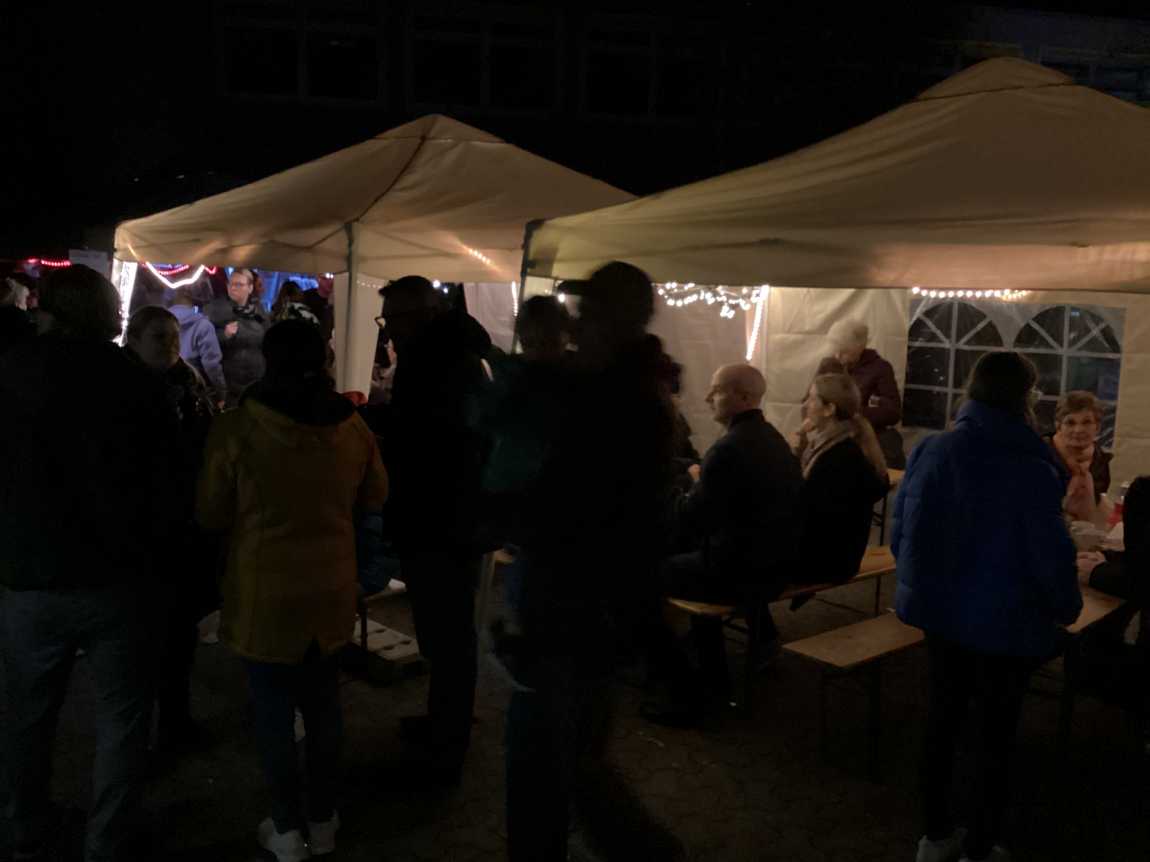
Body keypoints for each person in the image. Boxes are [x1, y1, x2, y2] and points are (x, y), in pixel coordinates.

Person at [0, 265, 178, 862]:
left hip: (29, 573)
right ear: (106, 313)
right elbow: (164, 481)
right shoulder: (134, 382)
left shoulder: (12, 371)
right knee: (122, 716)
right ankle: (108, 839)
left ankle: (24, 826)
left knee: (28, 713)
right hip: (117, 575)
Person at [505, 262, 679, 861]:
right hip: (581, 603)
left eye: (588, 313)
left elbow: (596, 513)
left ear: (615, 320)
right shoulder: (621, 388)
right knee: (566, 755)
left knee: (551, 759)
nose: (576, 324)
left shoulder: (616, 399)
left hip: (576, 604)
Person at [196, 320, 388, 862]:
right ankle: (323, 820)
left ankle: (285, 829)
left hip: (264, 595)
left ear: (269, 361)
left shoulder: (237, 429)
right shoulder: (352, 428)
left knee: (274, 715)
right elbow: (376, 494)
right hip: (331, 590)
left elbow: (210, 512)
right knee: (325, 710)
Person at [893, 351, 1081, 862]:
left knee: (942, 721)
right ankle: (979, 846)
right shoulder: (1030, 468)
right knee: (994, 736)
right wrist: (1066, 607)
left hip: (940, 614)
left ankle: (934, 835)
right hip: (1005, 622)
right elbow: (1050, 556)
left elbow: (902, 532)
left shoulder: (932, 449)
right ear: (1027, 396)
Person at [374, 275, 492, 780]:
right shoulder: (447, 357)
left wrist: (382, 428)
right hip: (444, 516)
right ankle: (443, 723)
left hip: (443, 520)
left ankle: (447, 747)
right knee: (442, 632)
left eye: (392, 321)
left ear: (419, 316)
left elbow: (434, 444)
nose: (388, 332)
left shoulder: (441, 365)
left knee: (448, 635)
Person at [643, 363, 803, 727]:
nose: (707, 397)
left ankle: (690, 689)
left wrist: (680, 490)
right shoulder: (774, 439)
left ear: (743, 397)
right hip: (776, 565)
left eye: (716, 390)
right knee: (687, 560)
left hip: (739, 572)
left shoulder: (728, 448)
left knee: (646, 576)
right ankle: (725, 668)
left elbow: (690, 518)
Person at [123, 306, 218, 752]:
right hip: (137, 530)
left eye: (174, 337)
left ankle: (175, 722)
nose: (171, 345)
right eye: (159, 337)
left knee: (179, 633)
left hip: (181, 527)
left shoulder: (189, 384)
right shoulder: (123, 388)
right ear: (134, 339)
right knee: (140, 641)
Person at [794, 373, 890, 587]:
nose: (806, 404)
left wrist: (793, 449)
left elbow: (804, 511)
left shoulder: (838, 456)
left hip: (826, 563)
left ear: (829, 409)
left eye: (812, 398)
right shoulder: (844, 443)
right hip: (841, 558)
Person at [826, 318, 905, 468]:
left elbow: (893, 412)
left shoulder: (880, 368)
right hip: (840, 440)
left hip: (871, 442)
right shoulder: (831, 365)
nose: (838, 356)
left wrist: (852, 413)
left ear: (860, 347)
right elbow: (813, 398)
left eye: (844, 352)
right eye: (836, 350)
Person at [1045, 390, 1113, 522]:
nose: (1078, 430)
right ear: (1058, 426)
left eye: (1086, 422)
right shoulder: (1042, 456)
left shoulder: (1100, 461)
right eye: (1070, 423)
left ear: (1097, 427)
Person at [209, 267, 269, 406]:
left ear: (250, 287)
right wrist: (224, 335)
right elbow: (207, 343)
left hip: (256, 380)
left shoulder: (259, 311)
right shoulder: (217, 310)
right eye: (231, 284)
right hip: (230, 382)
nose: (233, 288)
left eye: (239, 284)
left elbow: (268, 339)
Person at [169, 282, 227, 407]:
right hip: (194, 390)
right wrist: (221, 392)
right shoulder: (203, 325)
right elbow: (211, 364)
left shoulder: (161, 321)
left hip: (166, 388)